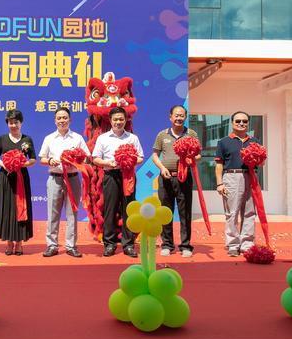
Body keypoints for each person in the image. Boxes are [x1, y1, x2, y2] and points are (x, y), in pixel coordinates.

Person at [39, 107, 91, 258]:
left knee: (72, 213)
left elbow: (87, 158)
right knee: (52, 213)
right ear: (55, 121)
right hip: (55, 178)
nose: (62, 120)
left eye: (65, 118)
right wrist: (50, 160)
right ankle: (52, 245)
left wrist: (76, 160)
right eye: (59, 118)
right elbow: (42, 158)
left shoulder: (77, 138)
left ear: (70, 119)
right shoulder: (49, 138)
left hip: (73, 178)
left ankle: (71, 246)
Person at [92, 107, 144, 257]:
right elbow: (95, 158)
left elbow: (140, 157)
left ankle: (128, 245)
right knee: (110, 209)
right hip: (111, 175)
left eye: (121, 119)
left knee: (128, 209)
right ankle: (109, 244)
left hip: (128, 176)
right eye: (115, 119)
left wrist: (130, 162)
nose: (118, 122)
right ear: (110, 120)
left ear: (126, 120)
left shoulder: (132, 138)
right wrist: (107, 163)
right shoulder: (103, 138)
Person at [152, 105, 199, 258]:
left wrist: (191, 159)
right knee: (166, 212)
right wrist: (161, 168)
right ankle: (167, 244)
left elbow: (198, 154)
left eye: (182, 115)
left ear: (185, 117)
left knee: (185, 212)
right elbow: (155, 155)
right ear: (170, 117)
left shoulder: (191, 134)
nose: (179, 118)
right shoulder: (162, 135)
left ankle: (185, 245)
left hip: (184, 178)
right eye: (176, 115)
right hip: (166, 177)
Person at [215, 111, 262, 257]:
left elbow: (262, 163)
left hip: (251, 177)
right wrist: (219, 184)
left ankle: (247, 244)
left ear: (248, 123)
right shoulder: (223, 142)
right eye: (238, 121)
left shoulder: (255, 141)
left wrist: (259, 159)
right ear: (232, 123)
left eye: (245, 121)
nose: (241, 123)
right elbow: (219, 165)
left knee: (249, 212)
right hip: (231, 177)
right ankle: (233, 244)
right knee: (232, 213)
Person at [0, 109, 36, 255]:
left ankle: (19, 243)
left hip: (21, 178)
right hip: (6, 178)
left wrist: (21, 164)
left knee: (21, 208)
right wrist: (5, 165)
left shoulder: (27, 140)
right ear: (7, 124)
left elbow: (33, 159)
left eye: (16, 122)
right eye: (10, 123)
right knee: (7, 209)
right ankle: (9, 243)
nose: (13, 125)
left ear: (21, 123)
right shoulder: (2, 139)